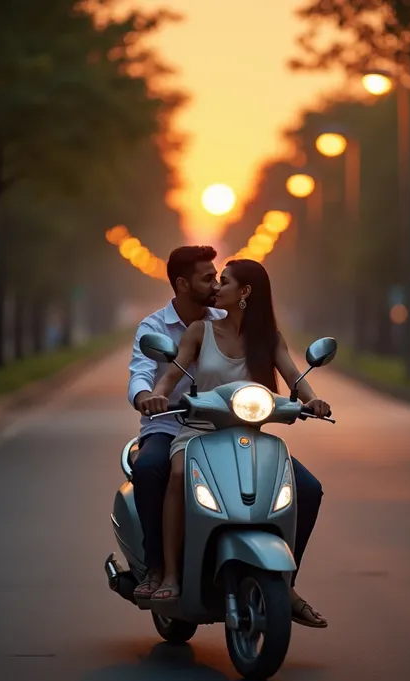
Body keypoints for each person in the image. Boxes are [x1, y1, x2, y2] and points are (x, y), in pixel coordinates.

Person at [129, 246, 328, 627]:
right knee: (172, 474)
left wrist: (314, 401)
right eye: (213, 279)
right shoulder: (197, 330)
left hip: (248, 433)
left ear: (245, 292)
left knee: (308, 488)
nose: (217, 286)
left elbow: (293, 377)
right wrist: (154, 394)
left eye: (224, 281)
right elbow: (170, 375)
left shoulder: (268, 338)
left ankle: (285, 582)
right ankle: (168, 573)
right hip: (197, 431)